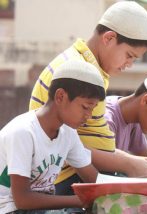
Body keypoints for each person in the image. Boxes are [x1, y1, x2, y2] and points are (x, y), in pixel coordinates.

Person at [28, 1, 147, 195]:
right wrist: (130, 164)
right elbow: (75, 151)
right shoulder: (81, 73)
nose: (128, 64)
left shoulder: (85, 65)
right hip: (57, 178)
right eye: (129, 55)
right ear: (109, 38)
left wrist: (137, 163)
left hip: (72, 168)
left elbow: (88, 146)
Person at [0, 60, 104, 213]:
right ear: (60, 96)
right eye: (85, 107)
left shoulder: (68, 133)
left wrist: (129, 188)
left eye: (92, 109)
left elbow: (92, 178)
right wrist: (80, 201)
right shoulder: (23, 132)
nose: (88, 115)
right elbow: (22, 200)